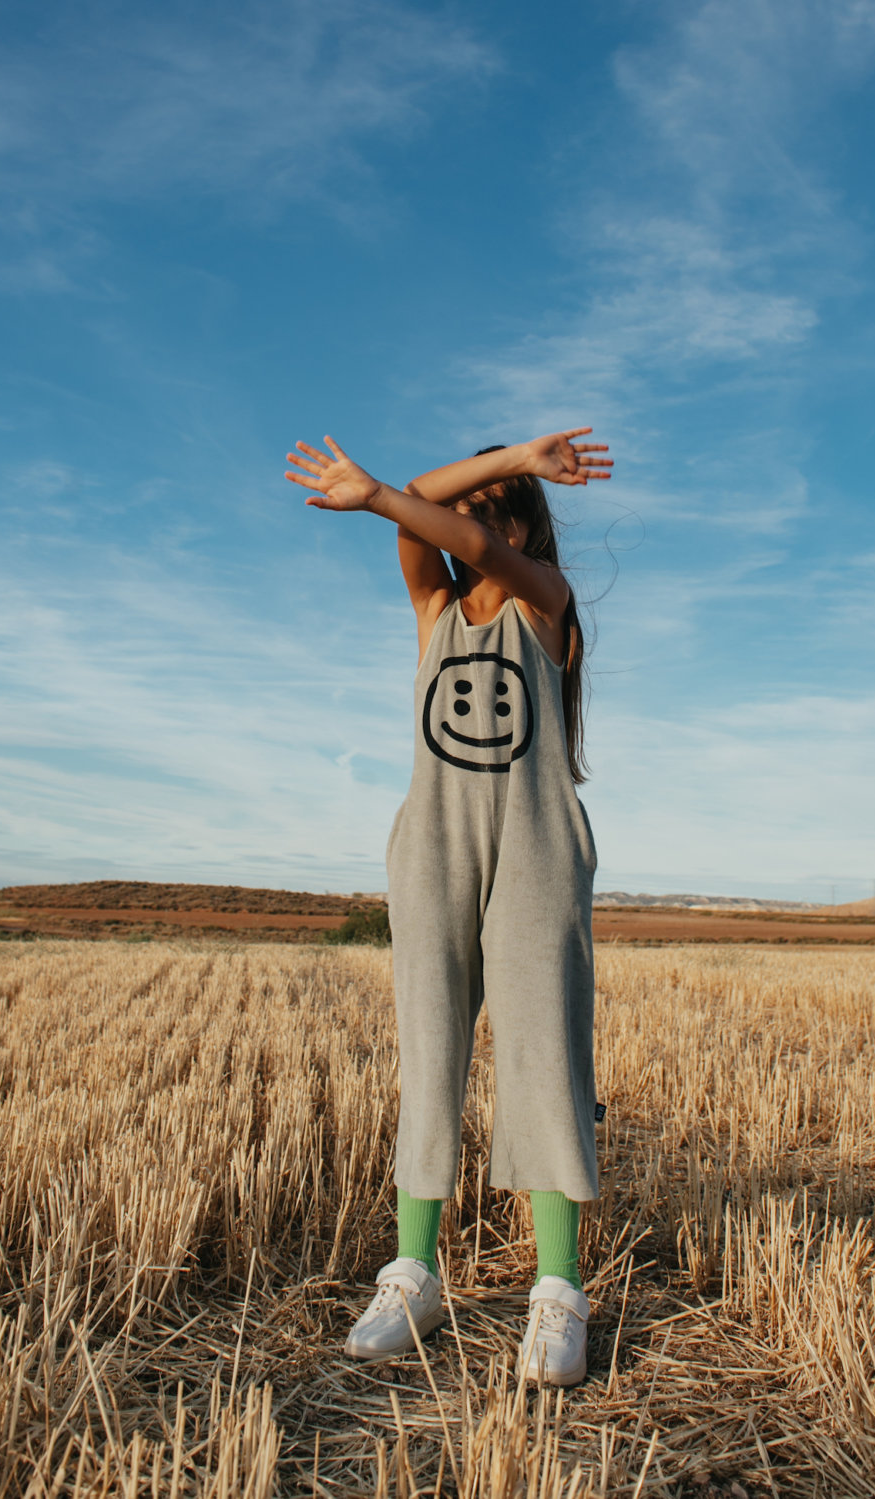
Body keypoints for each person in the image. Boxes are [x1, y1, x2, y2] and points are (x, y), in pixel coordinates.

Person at [284, 426, 612, 1385]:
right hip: (433, 842)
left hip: (536, 841)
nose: (448, 523)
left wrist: (400, 495)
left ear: (513, 523)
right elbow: (425, 524)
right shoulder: (433, 611)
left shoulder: (547, 602)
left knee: (544, 1055)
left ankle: (559, 1290)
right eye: (449, 508)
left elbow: (469, 539)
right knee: (429, 1051)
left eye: (475, 512)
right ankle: (413, 1275)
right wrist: (495, 464)